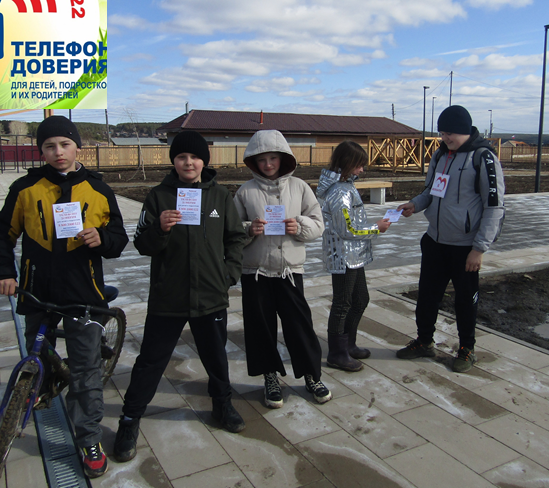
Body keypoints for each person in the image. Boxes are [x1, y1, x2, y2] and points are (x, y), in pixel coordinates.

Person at [0, 115, 128, 479]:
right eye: (49, 146)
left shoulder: (98, 189)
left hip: (84, 294)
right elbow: (2, 234)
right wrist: (3, 273)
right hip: (37, 291)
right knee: (39, 357)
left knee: (85, 372)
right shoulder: (25, 188)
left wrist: (102, 238)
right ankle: (43, 388)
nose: (58, 152)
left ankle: (89, 439)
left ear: (77, 147)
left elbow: (118, 239)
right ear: (41, 151)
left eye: (65, 144)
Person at [114, 130, 247, 462]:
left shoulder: (220, 196)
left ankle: (222, 404)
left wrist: (228, 275)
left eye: (195, 157)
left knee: (216, 357)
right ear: (173, 161)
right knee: (151, 361)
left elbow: (235, 238)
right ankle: (130, 418)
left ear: (205, 161)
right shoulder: (159, 196)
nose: (189, 162)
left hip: (210, 296)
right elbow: (142, 244)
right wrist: (159, 228)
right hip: (168, 296)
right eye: (182, 157)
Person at [396, 105, 505, 373]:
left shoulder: (484, 158)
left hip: (465, 247)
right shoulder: (441, 155)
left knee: (465, 300)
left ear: (464, 130)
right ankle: (424, 341)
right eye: (442, 133)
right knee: (427, 297)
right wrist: (415, 204)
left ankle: (467, 349)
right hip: (435, 241)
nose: (445, 138)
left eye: (449, 134)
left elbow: (494, 207)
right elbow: (431, 191)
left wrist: (479, 249)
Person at [234, 130, 331, 408]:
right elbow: (231, 230)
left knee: (299, 326)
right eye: (261, 159)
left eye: (273, 158)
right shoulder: (245, 191)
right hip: (255, 272)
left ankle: (312, 375)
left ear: (283, 158)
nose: (268, 164)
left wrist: (298, 226)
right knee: (261, 328)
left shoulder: (299, 187)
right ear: (253, 161)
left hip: (290, 271)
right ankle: (270, 377)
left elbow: (318, 223)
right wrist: (248, 229)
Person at [316, 141, 390, 372]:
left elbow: (351, 224)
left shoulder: (346, 186)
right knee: (343, 303)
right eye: (359, 165)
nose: (362, 170)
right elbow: (346, 229)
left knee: (360, 299)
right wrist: (376, 228)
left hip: (355, 254)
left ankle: (348, 344)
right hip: (343, 257)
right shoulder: (339, 192)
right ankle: (337, 353)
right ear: (347, 164)